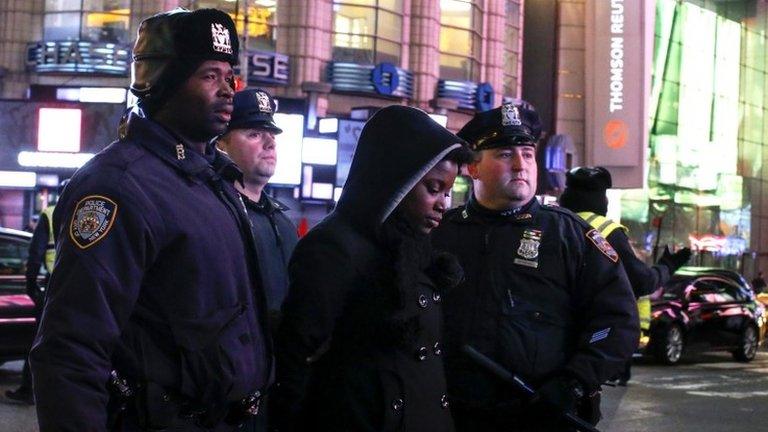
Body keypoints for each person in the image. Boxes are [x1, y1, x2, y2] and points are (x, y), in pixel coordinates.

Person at [30, 8, 272, 431]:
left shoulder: (212, 178)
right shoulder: (119, 187)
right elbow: (70, 351)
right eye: (209, 76)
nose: (229, 90)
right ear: (163, 83)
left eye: (229, 74)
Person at [431, 103, 639, 431]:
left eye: (527, 154)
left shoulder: (570, 234)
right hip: (454, 416)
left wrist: (574, 383)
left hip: (541, 417)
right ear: (473, 168)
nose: (520, 166)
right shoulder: (440, 233)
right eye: (504, 155)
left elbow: (617, 321)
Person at [271, 105, 472, 431]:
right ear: (395, 181)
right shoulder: (334, 247)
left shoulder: (417, 246)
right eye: (433, 189)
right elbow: (295, 360)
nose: (443, 204)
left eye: (448, 192)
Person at [559, 166, 691, 385]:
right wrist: (668, 266)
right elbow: (642, 281)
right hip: (586, 338)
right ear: (599, 199)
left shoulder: (549, 223)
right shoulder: (605, 231)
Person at [217, 88, 298, 328]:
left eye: (271, 134)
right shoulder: (212, 214)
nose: (270, 142)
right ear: (221, 145)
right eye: (254, 134)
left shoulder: (283, 220)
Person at [5, 179, 69, 405]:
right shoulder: (91, 209)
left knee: (41, 340)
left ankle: (29, 390)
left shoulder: (50, 214)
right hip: (82, 287)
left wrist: (31, 285)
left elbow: (35, 253)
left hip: (55, 285)